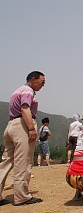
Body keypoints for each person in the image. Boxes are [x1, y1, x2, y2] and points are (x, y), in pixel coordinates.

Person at [0, 71, 45, 206]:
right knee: (23, 161)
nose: (43, 85)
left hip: (11, 126)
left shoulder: (17, 90)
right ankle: (22, 196)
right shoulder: (27, 90)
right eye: (42, 82)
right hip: (22, 126)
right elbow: (25, 108)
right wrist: (31, 128)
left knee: (6, 161)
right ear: (33, 79)